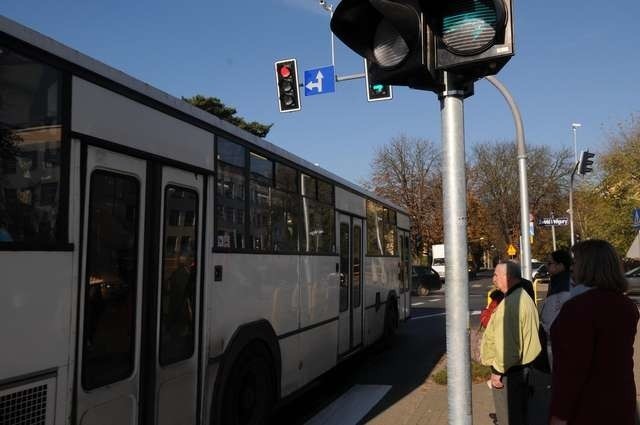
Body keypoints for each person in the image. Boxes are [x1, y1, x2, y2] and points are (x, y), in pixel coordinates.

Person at [549, 240, 639, 425]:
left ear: (588, 266)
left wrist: (559, 414)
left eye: (576, 263)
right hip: (621, 402)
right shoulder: (626, 305)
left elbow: (572, 369)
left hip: (587, 407)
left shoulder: (579, 307)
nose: (572, 268)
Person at [480, 261, 542, 425]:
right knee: (519, 415)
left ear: (507, 277)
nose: (493, 279)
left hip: (510, 372)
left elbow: (510, 348)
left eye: (496, 275)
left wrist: (497, 372)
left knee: (508, 417)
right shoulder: (521, 296)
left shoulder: (511, 304)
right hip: (521, 369)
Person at [539, 250, 572, 368]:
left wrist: (549, 328)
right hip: (553, 334)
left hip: (557, 337)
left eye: (550, 263)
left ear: (560, 265)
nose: (547, 266)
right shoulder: (556, 280)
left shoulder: (565, 283)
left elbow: (560, 310)